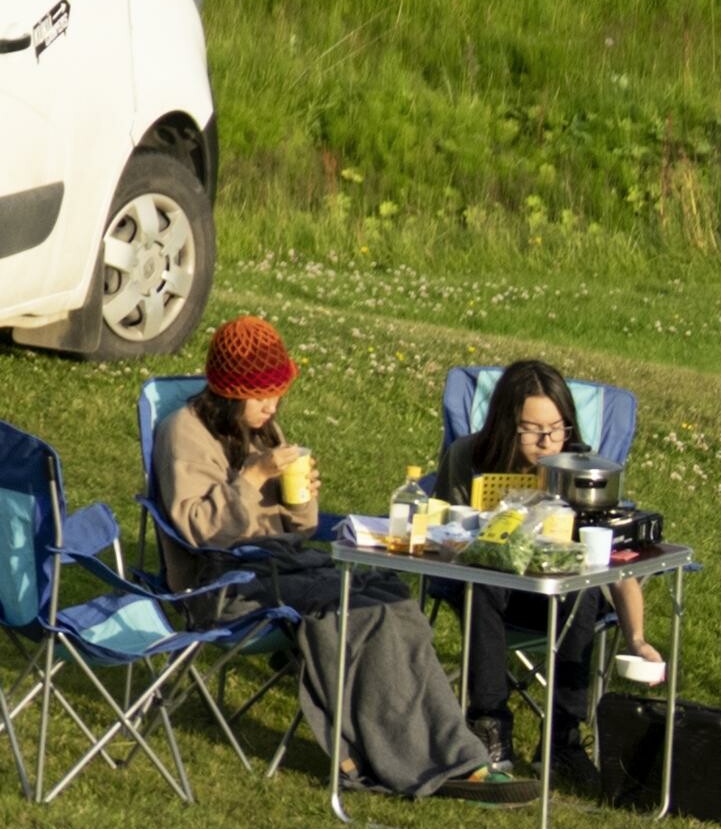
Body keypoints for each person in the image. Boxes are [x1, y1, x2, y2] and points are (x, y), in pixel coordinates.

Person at [151, 315, 490, 796]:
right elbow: (198, 530)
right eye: (261, 395)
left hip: (282, 563)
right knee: (353, 610)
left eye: (277, 393)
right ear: (229, 392)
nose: (272, 405)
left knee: (391, 596)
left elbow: (301, 529)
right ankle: (398, 760)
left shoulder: (262, 429)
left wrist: (300, 498)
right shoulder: (182, 432)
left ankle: (449, 748)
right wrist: (250, 479)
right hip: (223, 581)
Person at [454, 355, 649, 780]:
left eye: (557, 429)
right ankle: (489, 727)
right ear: (507, 424)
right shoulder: (468, 458)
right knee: (483, 582)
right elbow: (440, 536)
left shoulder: (583, 474)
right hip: (484, 593)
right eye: (532, 430)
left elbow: (614, 562)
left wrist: (637, 637)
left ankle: (562, 740)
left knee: (579, 590)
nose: (547, 442)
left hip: (555, 602)